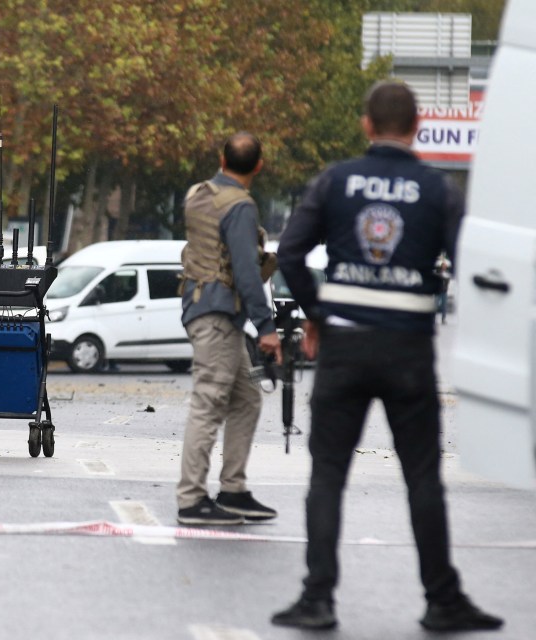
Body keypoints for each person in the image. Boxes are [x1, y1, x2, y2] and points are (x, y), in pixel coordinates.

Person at [271, 81, 502, 632]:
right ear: (418, 127)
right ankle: (442, 599)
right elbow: (473, 262)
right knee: (422, 476)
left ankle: (318, 597)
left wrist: (317, 313)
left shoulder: (335, 181)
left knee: (328, 473)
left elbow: (292, 252)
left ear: (366, 125)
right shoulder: (439, 190)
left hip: (345, 347)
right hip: (407, 351)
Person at [176, 132, 282, 526]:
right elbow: (246, 271)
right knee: (208, 404)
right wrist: (267, 327)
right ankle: (191, 500)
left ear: (221, 158)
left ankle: (234, 491)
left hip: (204, 309)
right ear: (258, 165)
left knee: (247, 399)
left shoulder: (197, 194)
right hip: (219, 317)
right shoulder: (240, 205)